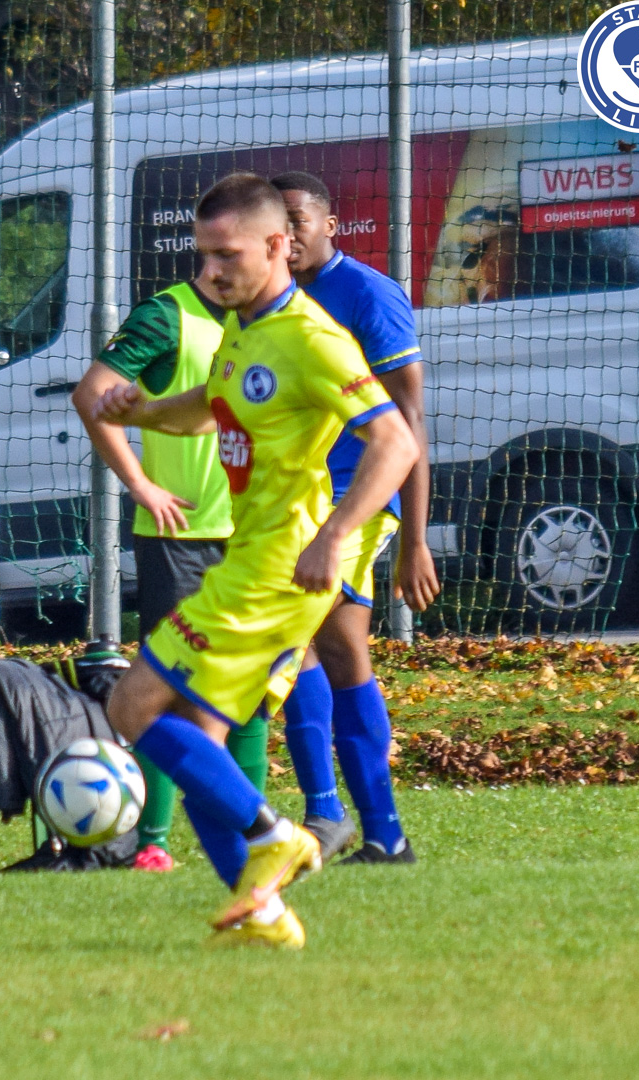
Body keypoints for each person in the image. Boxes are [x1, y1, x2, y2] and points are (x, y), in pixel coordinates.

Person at [93, 173, 418, 948]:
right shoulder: (243, 328)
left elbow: (395, 442)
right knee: (196, 738)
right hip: (251, 561)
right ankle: (262, 915)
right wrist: (145, 412)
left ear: (277, 245)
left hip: (277, 570)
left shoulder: (312, 339)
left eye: (226, 255)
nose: (210, 272)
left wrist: (335, 536)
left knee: (132, 708)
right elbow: (212, 406)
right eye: (203, 256)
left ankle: (275, 832)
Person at [70, 271, 270, 874]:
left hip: (254, 534)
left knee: (251, 692)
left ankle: (256, 833)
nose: (222, 265)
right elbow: (91, 394)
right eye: (214, 251)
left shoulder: (273, 319)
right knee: (171, 693)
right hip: (178, 539)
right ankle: (152, 842)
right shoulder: (166, 316)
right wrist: (140, 483)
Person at [271, 171, 441, 865]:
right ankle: (340, 818)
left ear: (330, 224)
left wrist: (416, 542)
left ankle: (369, 827)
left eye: (299, 219)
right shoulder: (270, 302)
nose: (289, 234)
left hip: (359, 497)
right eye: (277, 223)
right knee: (302, 647)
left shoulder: (368, 294)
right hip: (294, 500)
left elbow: (410, 421)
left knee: (329, 641)